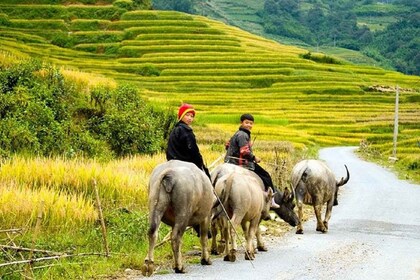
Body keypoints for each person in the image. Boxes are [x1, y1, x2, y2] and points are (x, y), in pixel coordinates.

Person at [225, 113, 280, 208]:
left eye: (251, 123)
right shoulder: (243, 135)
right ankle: (271, 200)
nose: (249, 125)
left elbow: (227, 145)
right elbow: (244, 151)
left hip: (229, 161)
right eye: (247, 123)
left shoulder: (237, 133)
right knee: (266, 175)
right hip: (241, 163)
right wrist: (254, 158)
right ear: (241, 122)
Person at [166, 103, 211, 179]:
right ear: (181, 116)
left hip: (171, 163)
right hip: (185, 165)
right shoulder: (187, 131)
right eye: (187, 115)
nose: (190, 118)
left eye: (192, 116)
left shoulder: (174, 130)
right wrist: (201, 164)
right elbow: (193, 151)